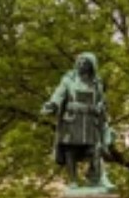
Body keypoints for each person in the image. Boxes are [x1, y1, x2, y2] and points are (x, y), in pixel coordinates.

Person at [41, 52, 114, 189]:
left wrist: (102, 108)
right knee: (71, 149)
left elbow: (102, 101)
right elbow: (59, 94)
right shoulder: (68, 80)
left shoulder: (96, 82)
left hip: (90, 120)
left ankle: (95, 175)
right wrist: (52, 104)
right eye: (79, 62)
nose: (81, 64)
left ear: (91, 66)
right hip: (72, 119)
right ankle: (73, 180)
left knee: (96, 149)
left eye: (85, 62)